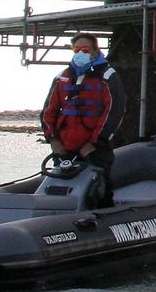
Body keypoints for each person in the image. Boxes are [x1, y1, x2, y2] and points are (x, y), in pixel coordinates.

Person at [40, 33, 127, 206]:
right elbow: (48, 112)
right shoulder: (62, 77)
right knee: (61, 192)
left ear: (95, 50)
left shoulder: (108, 76)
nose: (80, 52)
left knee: (99, 193)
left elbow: (114, 113)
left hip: (95, 150)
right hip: (65, 149)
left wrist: (95, 143)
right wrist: (53, 139)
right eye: (77, 49)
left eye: (85, 49)